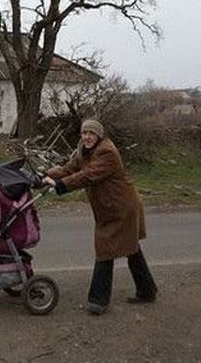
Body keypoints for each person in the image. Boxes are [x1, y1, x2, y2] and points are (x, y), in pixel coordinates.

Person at [42, 119, 157, 315]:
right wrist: (45, 175)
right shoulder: (84, 150)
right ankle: (147, 291)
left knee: (105, 249)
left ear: (99, 135)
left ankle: (98, 301)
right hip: (109, 208)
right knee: (131, 248)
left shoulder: (107, 152)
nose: (86, 136)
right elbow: (69, 169)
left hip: (121, 207)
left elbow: (87, 175)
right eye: (84, 133)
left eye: (91, 133)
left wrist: (60, 185)